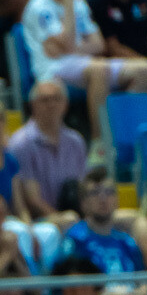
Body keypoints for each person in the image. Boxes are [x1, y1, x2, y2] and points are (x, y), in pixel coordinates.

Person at [20, 0, 147, 159]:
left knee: (144, 70)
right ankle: (100, 145)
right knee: (99, 70)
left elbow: (98, 44)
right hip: (52, 68)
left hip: (83, 62)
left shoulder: (79, 4)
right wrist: (68, 5)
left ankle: (126, 138)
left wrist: (71, 48)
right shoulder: (39, 7)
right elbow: (66, 44)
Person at [0, 99, 62, 272]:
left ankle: (48, 278)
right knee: (18, 232)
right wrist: (17, 226)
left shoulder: (10, 160)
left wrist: (30, 227)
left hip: (11, 218)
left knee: (49, 232)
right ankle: (31, 280)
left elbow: (19, 205)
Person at [53, 168, 146, 295]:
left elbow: (143, 281)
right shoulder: (75, 240)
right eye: (95, 193)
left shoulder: (127, 242)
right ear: (83, 203)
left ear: (116, 200)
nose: (103, 199)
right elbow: (64, 289)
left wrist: (140, 293)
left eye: (109, 192)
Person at [9, 81, 87, 231]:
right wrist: (64, 221)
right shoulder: (21, 143)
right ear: (33, 105)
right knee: (70, 221)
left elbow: (83, 187)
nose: (51, 105)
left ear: (66, 104)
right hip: (39, 222)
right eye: (45, 100)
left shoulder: (76, 141)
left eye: (57, 99)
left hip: (75, 216)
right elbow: (32, 200)